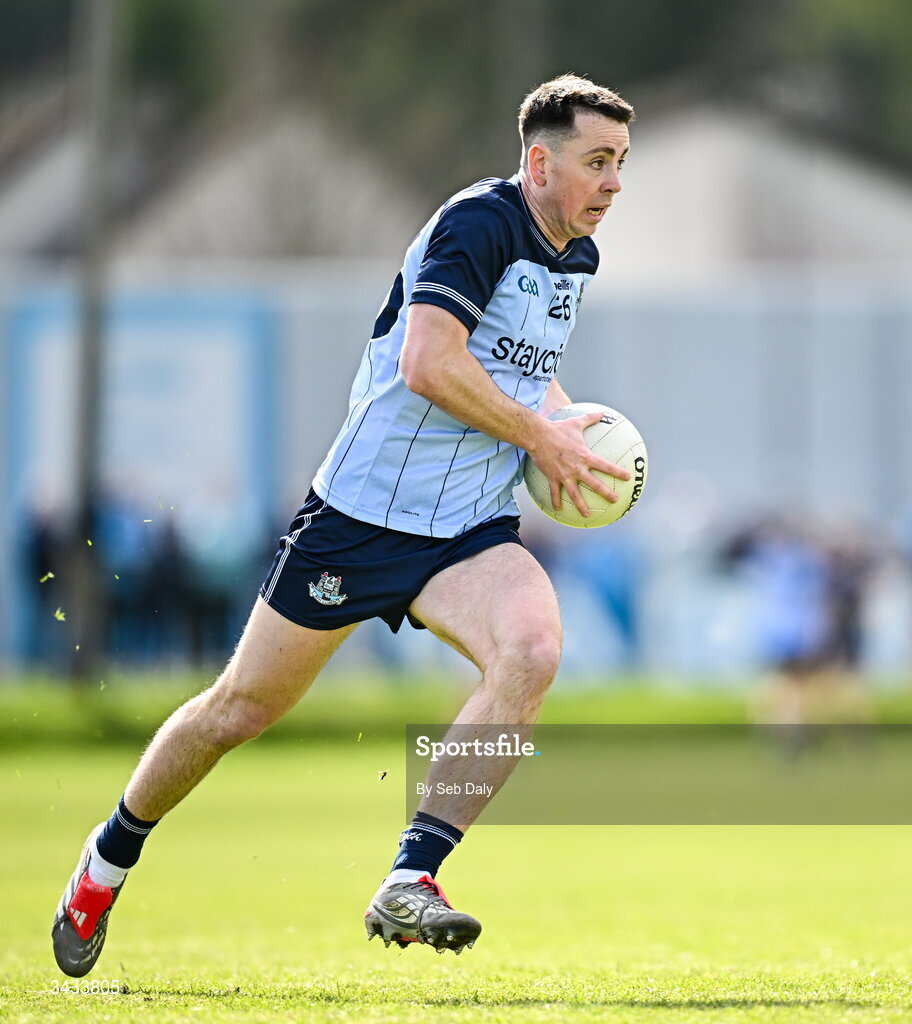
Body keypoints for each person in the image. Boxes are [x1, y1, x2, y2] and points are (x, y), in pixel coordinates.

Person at [52, 73, 635, 975]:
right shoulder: (478, 225)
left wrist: (566, 428)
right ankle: (107, 858)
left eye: (620, 164)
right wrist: (539, 439)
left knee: (533, 649)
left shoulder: (577, 258)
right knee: (239, 709)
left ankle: (413, 877)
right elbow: (429, 362)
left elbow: (519, 376)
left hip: (468, 526)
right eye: (597, 162)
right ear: (539, 162)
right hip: (359, 517)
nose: (613, 184)